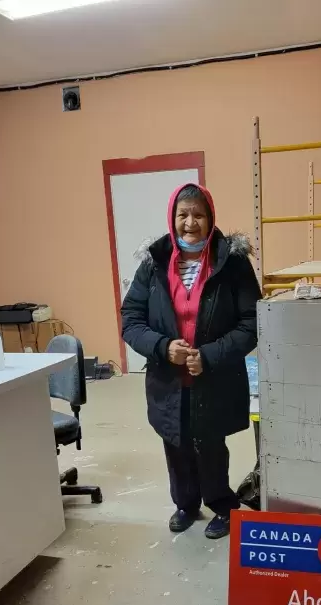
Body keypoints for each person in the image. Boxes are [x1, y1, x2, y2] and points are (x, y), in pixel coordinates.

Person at [121, 184, 261, 539]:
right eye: (183, 214)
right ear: (172, 217)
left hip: (214, 378)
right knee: (175, 441)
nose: (190, 222)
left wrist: (210, 356)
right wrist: (163, 347)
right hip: (168, 379)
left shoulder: (232, 262)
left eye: (198, 214)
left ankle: (221, 505)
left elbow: (253, 322)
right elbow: (131, 319)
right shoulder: (153, 264)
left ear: (210, 218)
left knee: (210, 444)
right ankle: (185, 503)